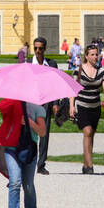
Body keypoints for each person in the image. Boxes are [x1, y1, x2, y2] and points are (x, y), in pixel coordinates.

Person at [0, 98, 46, 208]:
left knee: (28, 185)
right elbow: (1, 107)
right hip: (11, 148)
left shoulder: (37, 108)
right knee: (15, 182)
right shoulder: (11, 104)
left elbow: (42, 132)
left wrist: (30, 123)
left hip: (30, 149)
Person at [68, 43, 104, 174]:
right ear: (86, 56)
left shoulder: (101, 71)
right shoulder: (79, 70)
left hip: (95, 108)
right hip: (82, 107)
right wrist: (71, 106)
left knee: (91, 135)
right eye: (92, 55)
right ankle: (90, 166)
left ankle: (85, 163)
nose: (95, 57)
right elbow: (73, 89)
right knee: (87, 131)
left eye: (96, 54)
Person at [29, 36, 59, 174]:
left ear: (45, 49)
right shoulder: (28, 64)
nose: (38, 51)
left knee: (44, 134)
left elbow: (55, 85)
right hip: (31, 103)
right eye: (35, 48)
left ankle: (41, 165)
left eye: (40, 48)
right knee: (30, 134)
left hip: (46, 103)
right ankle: (29, 161)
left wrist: (55, 103)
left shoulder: (52, 64)